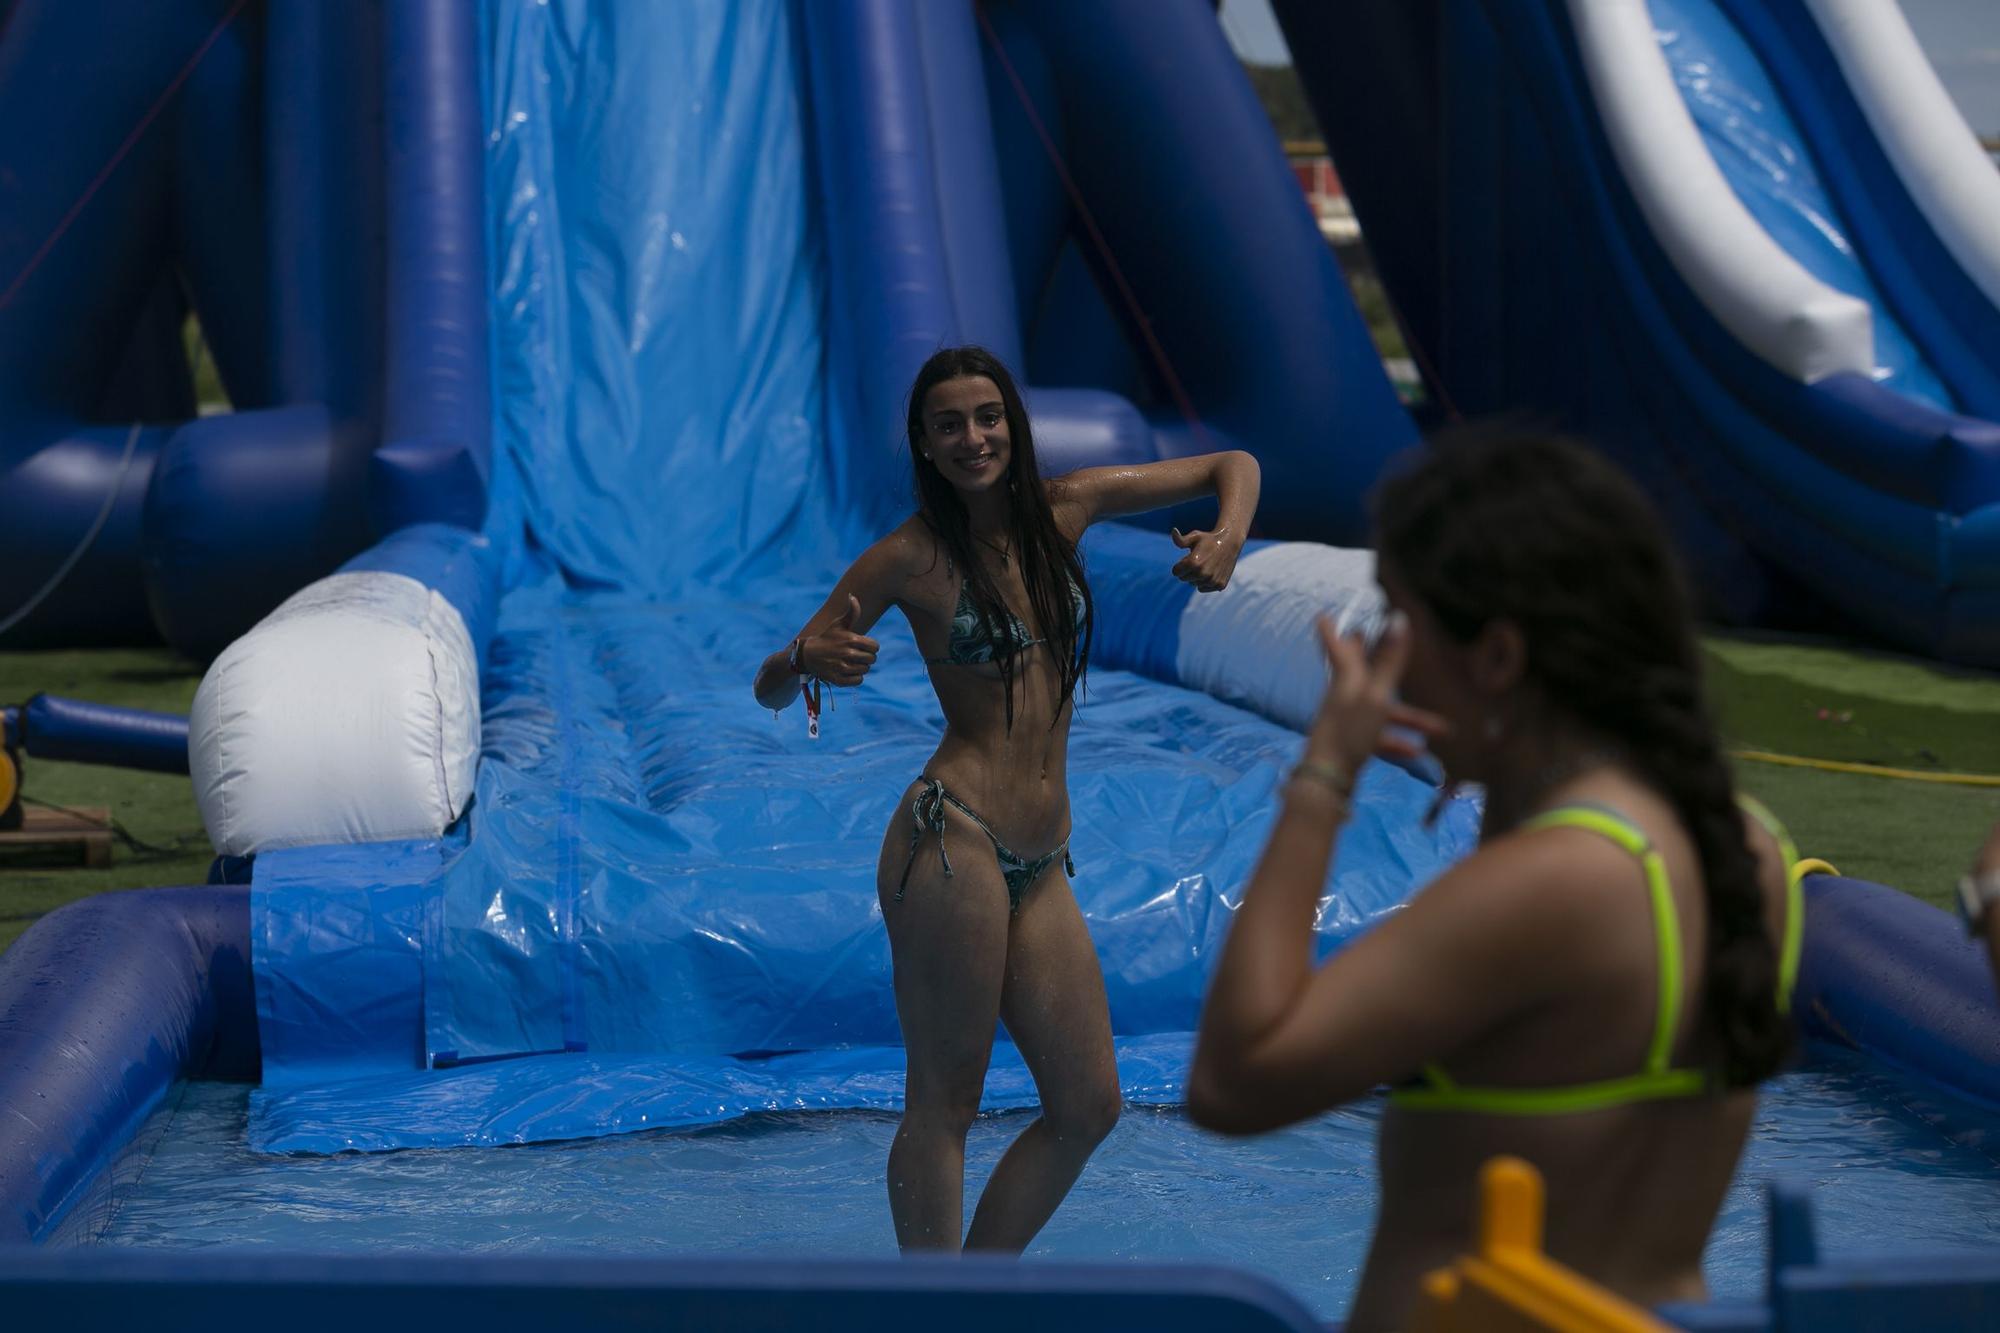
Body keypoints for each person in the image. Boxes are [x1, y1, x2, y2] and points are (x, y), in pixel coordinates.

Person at [1188, 432, 1799, 1329]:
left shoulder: (1549, 888)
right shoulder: (1746, 846)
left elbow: (1233, 1083)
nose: (1379, 653)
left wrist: (1322, 778)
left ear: (1501, 657)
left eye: (1399, 620)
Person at [753, 345, 1261, 1251]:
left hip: (1043, 857)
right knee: (946, 1102)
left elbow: (1235, 465)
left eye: (987, 417)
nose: (973, 436)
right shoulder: (907, 559)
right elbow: (770, 685)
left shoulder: (1069, 509)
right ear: (924, 442)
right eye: (949, 423)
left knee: (1088, 1103)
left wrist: (1226, 536)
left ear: (1013, 426)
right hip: (956, 840)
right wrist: (804, 659)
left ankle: (972, 1295)